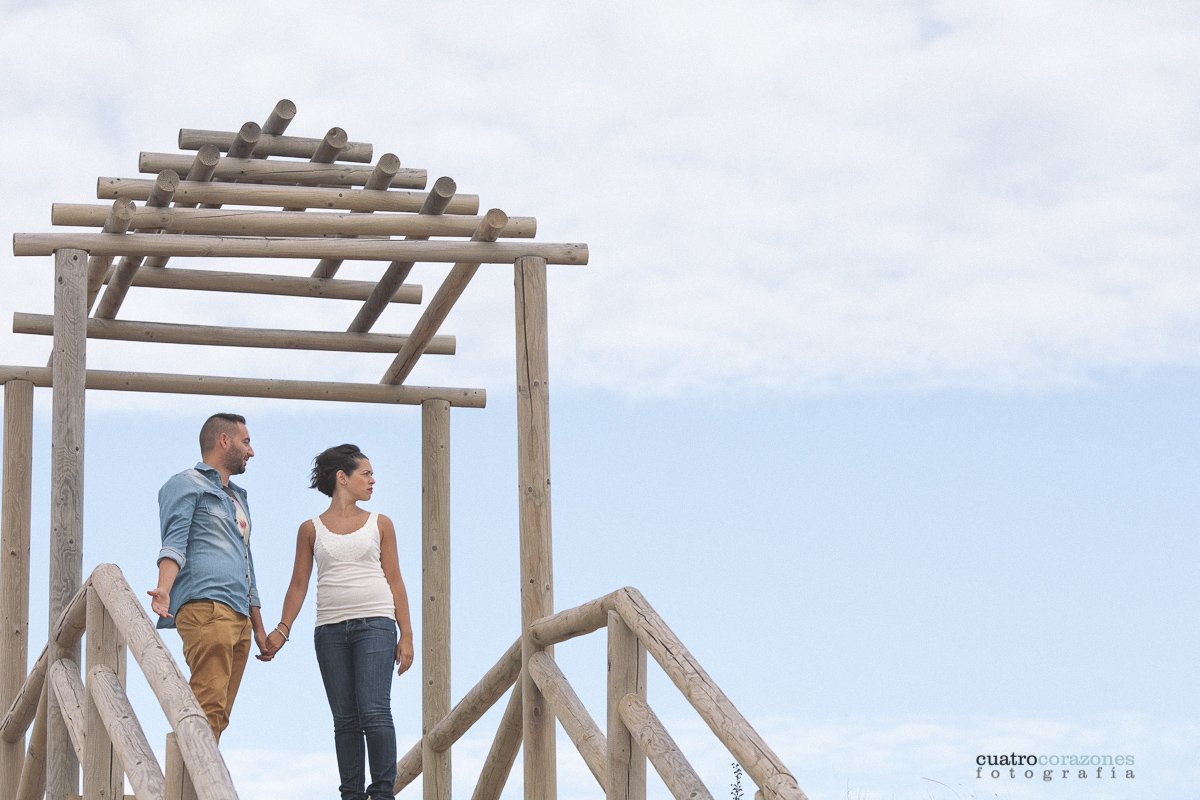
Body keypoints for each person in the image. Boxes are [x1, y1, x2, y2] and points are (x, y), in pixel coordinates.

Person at [264, 443, 414, 800]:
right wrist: (282, 630)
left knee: (374, 712)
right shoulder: (310, 529)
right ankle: (350, 794)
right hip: (329, 630)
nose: (373, 480)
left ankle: (381, 793)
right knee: (345, 720)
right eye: (366, 473)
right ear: (342, 478)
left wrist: (406, 634)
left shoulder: (381, 524)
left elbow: (395, 580)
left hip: (376, 625)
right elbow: (298, 584)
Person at [148, 412, 270, 741]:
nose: (251, 451)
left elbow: (247, 562)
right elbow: (174, 541)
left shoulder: (238, 497)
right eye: (246, 442)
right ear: (224, 440)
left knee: (217, 715)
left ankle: (193, 786)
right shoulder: (185, 483)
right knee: (207, 706)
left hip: (240, 617)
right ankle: (189, 789)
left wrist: (258, 628)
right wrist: (164, 589)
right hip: (207, 607)